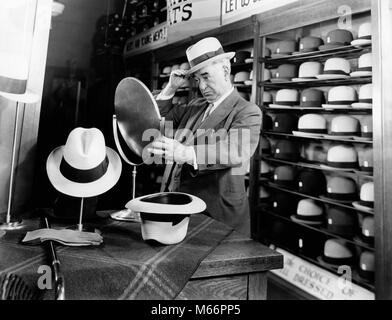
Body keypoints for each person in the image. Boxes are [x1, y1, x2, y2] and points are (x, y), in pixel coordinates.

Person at [148, 37, 261, 236]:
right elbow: (156, 120)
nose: (201, 86)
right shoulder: (194, 107)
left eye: (206, 76)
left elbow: (235, 151)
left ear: (225, 70)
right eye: (198, 79)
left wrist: (186, 153)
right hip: (180, 207)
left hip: (218, 216)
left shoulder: (246, 111)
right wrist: (171, 88)